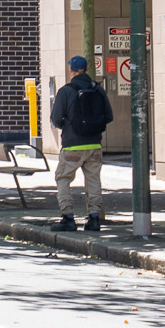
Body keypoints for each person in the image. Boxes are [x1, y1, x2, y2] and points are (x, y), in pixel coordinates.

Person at [48, 56, 113, 232]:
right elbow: (109, 116)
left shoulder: (66, 91)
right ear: (86, 69)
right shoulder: (98, 89)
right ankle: (94, 218)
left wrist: (70, 127)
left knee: (63, 178)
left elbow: (56, 118)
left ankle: (68, 217)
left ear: (71, 70)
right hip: (94, 144)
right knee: (93, 180)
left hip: (72, 145)